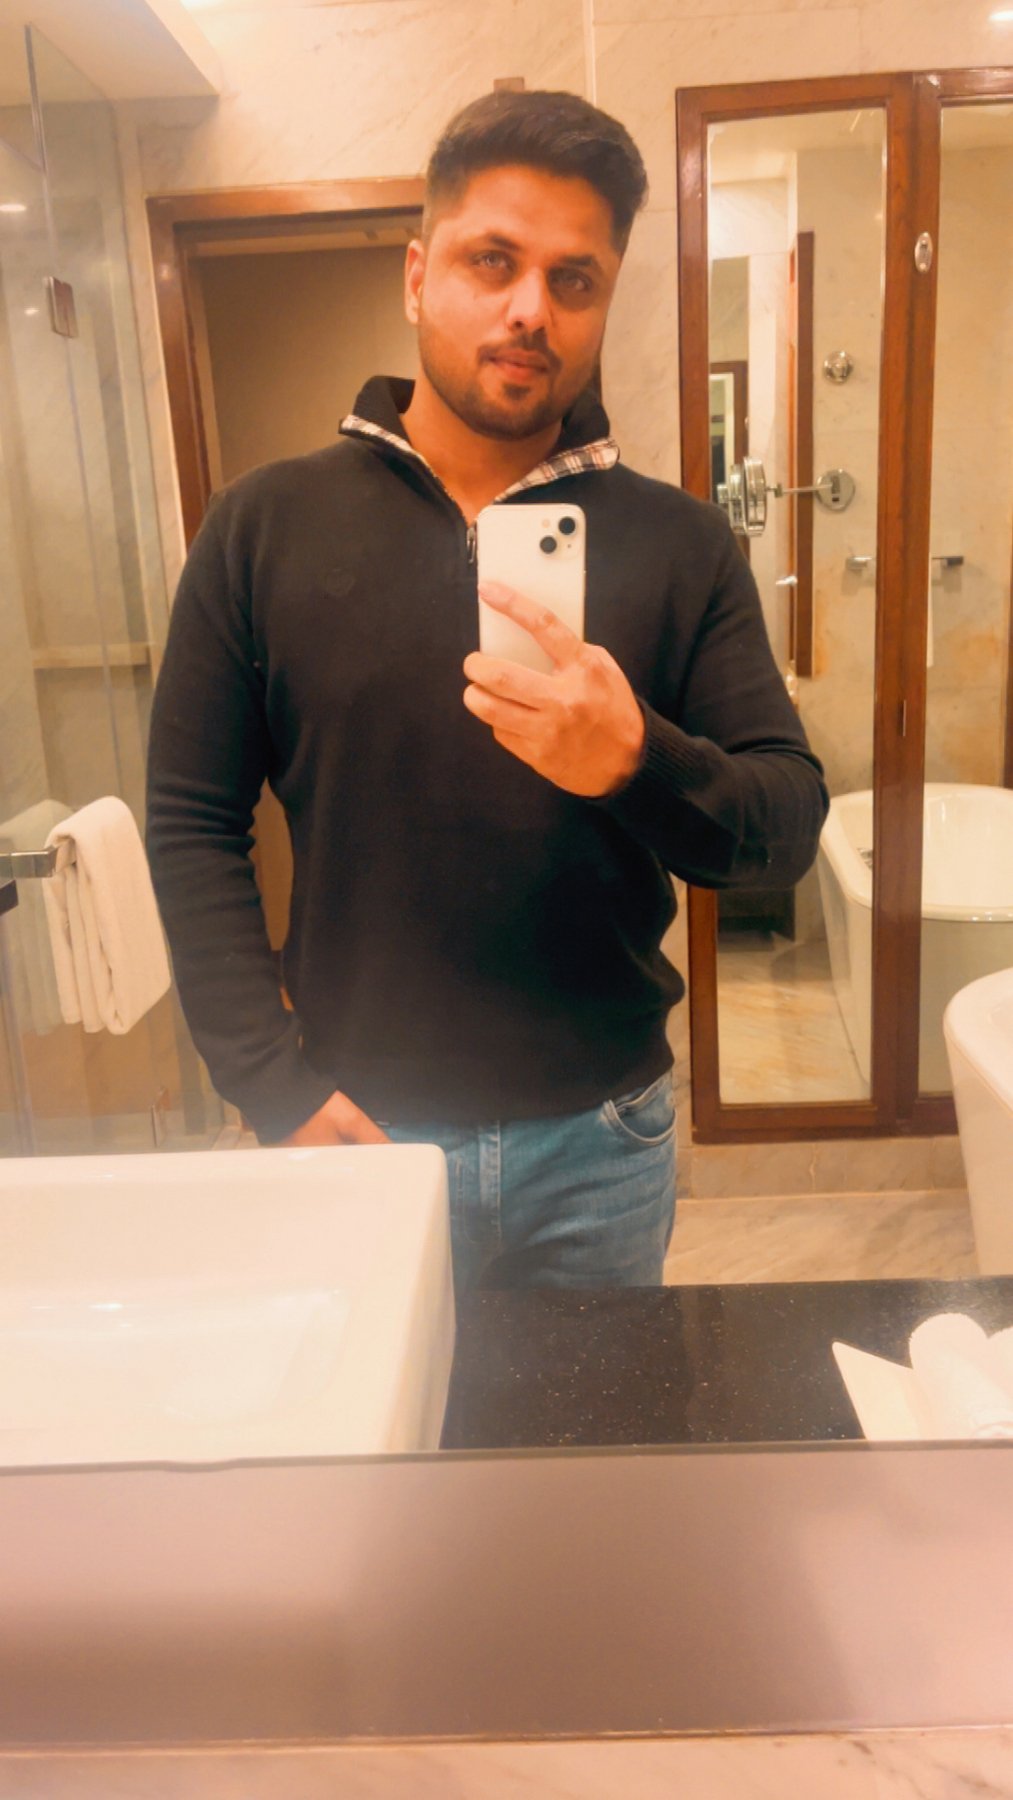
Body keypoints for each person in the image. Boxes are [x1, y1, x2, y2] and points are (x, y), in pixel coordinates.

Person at [146, 89, 828, 1295]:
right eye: (491, 261)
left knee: (592, 1425)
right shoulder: (261, 527)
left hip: (601, 1138)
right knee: (380, 1420)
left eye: (574, 279)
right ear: (418, 276)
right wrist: (266, 1080)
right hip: (359, 1129)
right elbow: (192, 823)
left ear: (604, 302)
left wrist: (638, 763)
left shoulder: (680, 546)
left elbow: (783, 824)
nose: (529, 309)